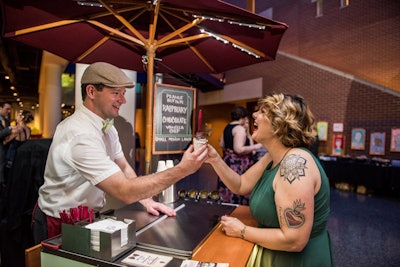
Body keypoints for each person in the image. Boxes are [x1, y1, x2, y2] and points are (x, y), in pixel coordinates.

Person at [32, 62, 208, 243]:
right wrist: (184, 169)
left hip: (87, 217)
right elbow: (124, 191)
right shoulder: (79, 133)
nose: (123, 100)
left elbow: (122, 165)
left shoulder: (108, 127)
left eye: (123, 94)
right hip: (59, 222)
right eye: (116, 93)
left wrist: (147, 200)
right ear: (91, 92)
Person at [206, 93, 333, 266]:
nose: (254, 115)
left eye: (263, 112)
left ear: (279, 124)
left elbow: (294, 241)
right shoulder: (273, 156)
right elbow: (241, 185)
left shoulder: (294, 165)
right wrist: (215, 159)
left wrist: (241, 230)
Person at [219, 106, 262, 205]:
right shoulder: (239, 129)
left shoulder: (227, 127)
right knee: (237, 188)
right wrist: (257, 146)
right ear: (243, 117)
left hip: (228, 161)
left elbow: (221, 144)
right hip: (238, 164)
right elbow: (239, 149)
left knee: (228, 187)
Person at [0, 102, 20, 187]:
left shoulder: (7, 120)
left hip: (5, 152)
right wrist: (9, 129)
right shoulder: (8, 124)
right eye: (7, 109)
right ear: (0, 108)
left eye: (9, 109)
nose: (8, 111)